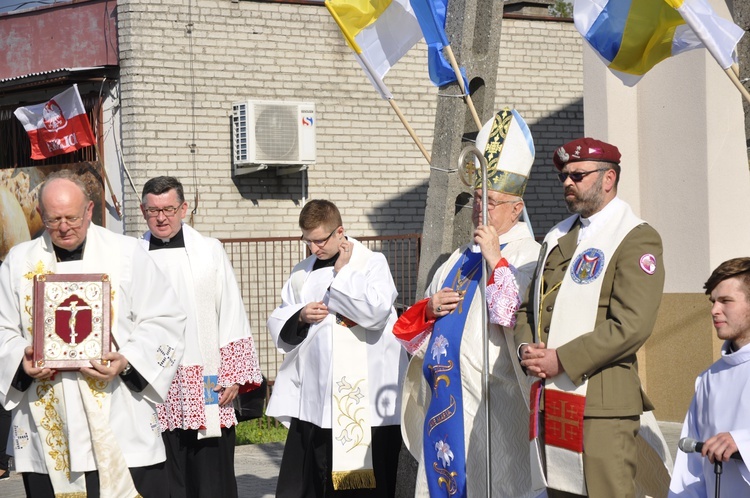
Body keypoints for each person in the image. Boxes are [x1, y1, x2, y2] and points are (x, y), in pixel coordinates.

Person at [0, 170, 186, 497]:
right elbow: (3, 327)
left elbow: (165, 318)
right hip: (47, 418)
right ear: (40, 214)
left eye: (72, 217)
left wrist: (127, 362)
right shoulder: (19, 262)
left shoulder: (127, 254)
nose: (63, 227)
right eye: (53, 219)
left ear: (89, 210)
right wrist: (21, 362)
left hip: (120, 414)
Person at [394, 108, 545, 497]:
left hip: (495, 403)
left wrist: (496, 259)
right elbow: (418, 320)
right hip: (446, 397)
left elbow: (512, 315)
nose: (480, 208)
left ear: (516, 208)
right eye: (477, 198)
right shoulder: (457, 257)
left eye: (491, 200)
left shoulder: (531, 255)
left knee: (493, 483)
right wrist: (430, 309)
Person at [514, 138, 671, 497]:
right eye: (563, 176)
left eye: (578, 175)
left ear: (608, 178)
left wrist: (561, 359)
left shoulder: (636, 237)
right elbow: (530, 306)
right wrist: (526, 349)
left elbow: (631, 324)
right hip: (551, 398)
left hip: (602, 405)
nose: (568, 182)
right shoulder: (557, 235)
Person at [266, 199, 407, 497]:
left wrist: (342, 273)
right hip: (315, 401)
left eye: (320, 240)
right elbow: (281, 314)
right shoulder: (302, 272)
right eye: (308, 241)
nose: (314, 248)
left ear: (339, 231)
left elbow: (376, 312)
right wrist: (301, 316)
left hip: (363, 401)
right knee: (313, 481)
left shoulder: (371, 262)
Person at [139, 176, 263, 498]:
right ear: (143, 211)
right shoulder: (132, 256)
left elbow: (231, 310)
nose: (161, 217)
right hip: (153, 383)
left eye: (168, 209)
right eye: (153, 211)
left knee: (212, 478)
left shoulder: (209, 250)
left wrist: (235, 375)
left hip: (207, 381)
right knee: (163, 477)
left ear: (183, 208)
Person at [668, 257, 750, 497]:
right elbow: (690, 468)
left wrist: (743, 443)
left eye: (726, 301)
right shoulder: (708, 379)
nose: (714, 310)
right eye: (713, 301)